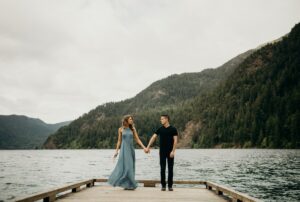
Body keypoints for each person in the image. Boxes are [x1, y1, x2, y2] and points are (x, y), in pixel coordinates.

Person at [108, 114, 148, 190]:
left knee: (130, 167)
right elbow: (119, 141)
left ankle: (129, 184)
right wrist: (116, 151)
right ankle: (127, 184)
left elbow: (137, 140)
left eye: (132, 119)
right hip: (123, 150)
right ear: (126, 120)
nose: (132, 120)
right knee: (124, 168)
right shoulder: (120, 129)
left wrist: (144, 148)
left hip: (130, 150)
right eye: (130, 119)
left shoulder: (133, 129)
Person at [146, 114, 178, 191]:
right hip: (162, 152)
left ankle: (170, 186)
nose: (161, 120)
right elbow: (153, 137)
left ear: (167, 119)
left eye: (162, 119)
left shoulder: (173, 129)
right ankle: (163, 186)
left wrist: (173, 151)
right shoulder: (160, 129)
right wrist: (148, 146)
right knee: (162, 169)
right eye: (161, 119)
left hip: (170, 152)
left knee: (170, 169)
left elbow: (175, 141)